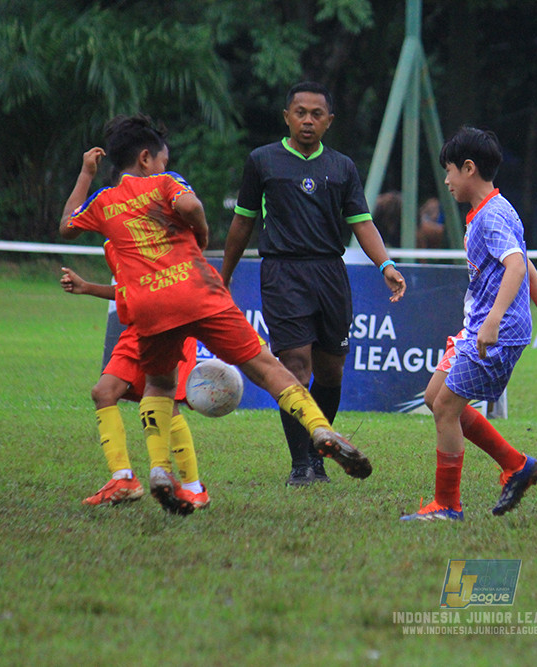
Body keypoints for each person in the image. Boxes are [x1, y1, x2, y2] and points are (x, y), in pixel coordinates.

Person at [60, 113, 371, 515]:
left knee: (157, 386)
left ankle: (158, 469)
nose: (163, 166)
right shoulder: (166, 183)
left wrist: (86, 174)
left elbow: (66, 225)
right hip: (196, 289)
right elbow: (190, 205)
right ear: (145, 159)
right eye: (161, 160)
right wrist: (202, 232)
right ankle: (320, 429)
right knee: (264, 365)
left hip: (148, 305)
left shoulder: (103, 201)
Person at [221, 81, 406, 487]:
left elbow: (362, 223)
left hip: (329, 275)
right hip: (283, 273)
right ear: (287, 116)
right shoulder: (262, 161)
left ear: (329, 121)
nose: (307, 120)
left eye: (316, 114)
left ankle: (318, 451)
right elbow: (243, 221)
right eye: (300, 112)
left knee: (330, 373)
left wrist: (386, 265)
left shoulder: (342, 168)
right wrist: (225, 273)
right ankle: (302, 463)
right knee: (295, 367)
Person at [400, 126, 537, 522]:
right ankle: (517, 465)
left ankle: (447, 506)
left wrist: (494, 321)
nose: (446, 181)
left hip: (493, 334)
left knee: (446, 409)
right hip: (478, 328)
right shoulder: (490, 211)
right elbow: (526, 263)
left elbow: (516, 266)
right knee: (436, 398)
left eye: (449, 171)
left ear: (469, 168)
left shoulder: (493, 216)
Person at [60, 256, 209, 510]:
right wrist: (87, 287)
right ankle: (123, 479)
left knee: (164, 404)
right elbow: (131, 289)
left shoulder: (153, 229)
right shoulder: (115, 235)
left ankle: (194, 489)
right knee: (104, 392)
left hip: (172, 322)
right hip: (138, 327)